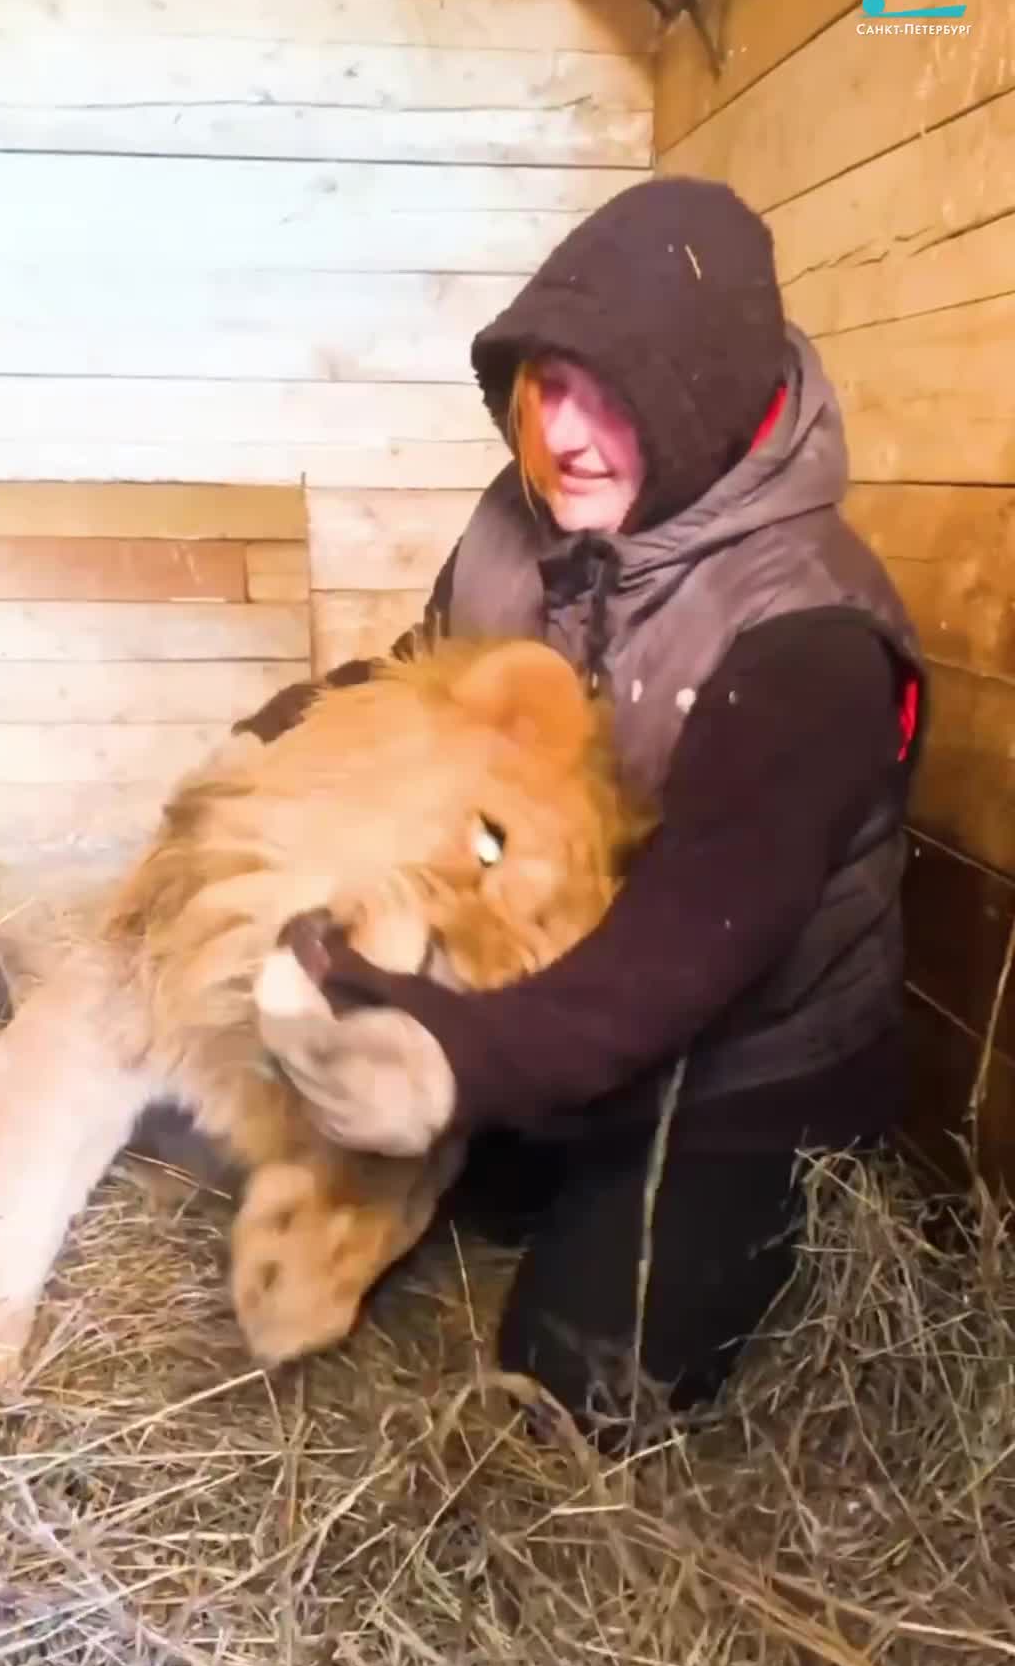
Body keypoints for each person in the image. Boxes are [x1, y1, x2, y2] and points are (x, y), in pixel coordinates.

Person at [238, 177, 930, 1441]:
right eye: (543, 385)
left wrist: (455, 1055)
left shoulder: (811, 636)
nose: (559, 433)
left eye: (607, 392)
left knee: (572, 1385)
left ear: (702, 397)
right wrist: (300, 724)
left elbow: (686, 952)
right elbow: (426, 676)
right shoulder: (516, 528)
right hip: (540, 995)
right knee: (287, 1100)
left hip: (736, 1061)